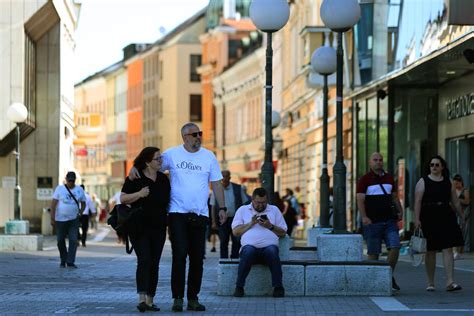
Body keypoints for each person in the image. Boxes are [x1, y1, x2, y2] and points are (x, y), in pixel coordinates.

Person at [129, 123, 226, 312]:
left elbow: (217, 184)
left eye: (200, 134)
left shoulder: (209, 157)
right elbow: (151, 163)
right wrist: (135, 168)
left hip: (200, 214)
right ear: (185, 137)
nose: (199, 137)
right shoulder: (172, 154)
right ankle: (178, 298)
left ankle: (193, 298)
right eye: (194, 134)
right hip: (176, 214)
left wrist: (222, 207)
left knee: (198, 258)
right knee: (179, 255)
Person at [120, 146, 170, 312]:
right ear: (148, 162)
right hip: (139, 227)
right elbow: (123, 198)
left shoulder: (163, 179)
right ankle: (141, 298)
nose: (161, 161)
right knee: (145, 259)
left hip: (159, 227)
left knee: (154, 262)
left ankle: (150, 300)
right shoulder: (136, 177)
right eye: (157, 159)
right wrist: (140, 194)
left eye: (161, 158)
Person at [414, 155, 465, 292]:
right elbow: (417, 201)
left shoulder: (448, 182)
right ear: (429, 167)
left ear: (442, 167)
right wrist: (417, 219)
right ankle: (431, 282)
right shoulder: (422, 181)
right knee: (430, 250)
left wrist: (461, 215)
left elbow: (454, 201)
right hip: (428, 216)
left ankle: (450, 282)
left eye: (437, 165)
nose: (434, 167)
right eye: (432, 165)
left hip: (446, 216)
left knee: (448, 248)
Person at [356, 152, 403, 292]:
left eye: (380, 160)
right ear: (370, 162)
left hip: (389, 220)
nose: (378, 162)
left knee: (395, 247)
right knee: (373, 254)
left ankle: (387, 276)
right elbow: (360, 199)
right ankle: (373, 283)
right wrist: (364, 217)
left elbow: (394, 197)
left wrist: (400, 210)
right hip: (372, 222)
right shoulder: (364, 179)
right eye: (375, 160)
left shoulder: (389, 177)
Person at [231, 188, 287, 298]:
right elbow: (236, 232)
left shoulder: (274, 210)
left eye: (263, 202)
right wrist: (251, 223)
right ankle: (239, 287)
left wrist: (270, 226)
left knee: (272, 251)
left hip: (269, 249)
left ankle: (278, 287)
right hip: (249, 248)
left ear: (267, 200)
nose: (260, 206)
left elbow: (283, 232)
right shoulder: (243, 210)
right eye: (258, 202)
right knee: (248, 251)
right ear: (252, 200)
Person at [50, 171, 86, 268]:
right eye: (69, 180)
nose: (71, 183)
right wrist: (52, 218)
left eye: (72, 181)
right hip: (60, 220)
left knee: (73, 240)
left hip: (73, 219)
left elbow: (83, 203)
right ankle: (63, 259)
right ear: (66, 180)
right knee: (60, 240)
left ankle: (70, 261)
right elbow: (53, 204)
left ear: (75, 180)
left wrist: (81, 212)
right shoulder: (60, 189)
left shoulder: (79, 190)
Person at [210, 170, 249, 259]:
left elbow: (245, 204)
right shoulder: (216, 190)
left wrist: (244, 220)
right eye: (222, 176)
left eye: (225, 176)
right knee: (223, 241)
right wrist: (213, 222)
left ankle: (234, 260)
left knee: (236, 241)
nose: (223, 178)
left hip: (236, 220)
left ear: (229, 177)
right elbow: (213, 207)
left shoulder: (238, 188)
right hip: (222, 220)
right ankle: (224, 261)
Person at [453, 174, 470, 258]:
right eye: (454, 184)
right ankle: (456, 251)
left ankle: (460, 252)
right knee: (455, 232)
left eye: (457, 183)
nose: (456, 185)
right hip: (454, 214)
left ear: (461, 182)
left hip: (463, 214)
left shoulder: (465, 190)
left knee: (462, 233)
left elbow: (467, 201)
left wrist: (458, 199)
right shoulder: (453, 191)